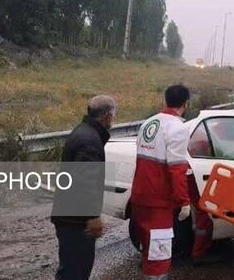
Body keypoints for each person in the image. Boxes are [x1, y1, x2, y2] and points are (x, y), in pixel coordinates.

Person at [51, 95, 116, 280]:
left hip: (71, 217)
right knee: (75, 272)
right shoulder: (89, 140)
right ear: (107, 116)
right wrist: (93, 217)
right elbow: (85, 182)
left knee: (73, 269)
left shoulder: (85, 132)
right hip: (75, 222)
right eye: (113, 115)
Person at [130, 85, 191, 279]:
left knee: (147, 250)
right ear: (185, 104)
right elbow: (177, 169)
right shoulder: (177, 128)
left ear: (166, 100)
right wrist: (184, 201)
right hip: (159, 203)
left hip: (140, 198)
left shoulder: (149, 123)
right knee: (159, 257)